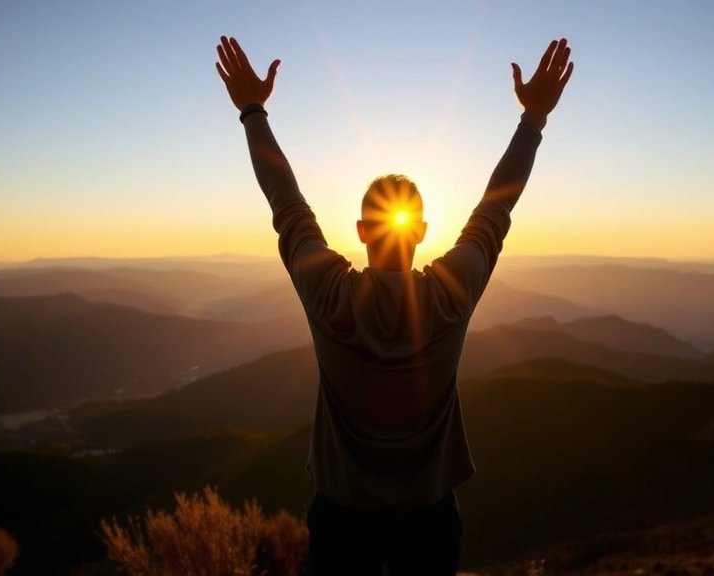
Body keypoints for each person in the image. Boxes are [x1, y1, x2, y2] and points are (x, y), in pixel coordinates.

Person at [215, 35, 574, 576]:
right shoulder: (450, 294)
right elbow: (495, 208)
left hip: (340, 515)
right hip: (428, 515)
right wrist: (533, 120)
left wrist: (252, 111)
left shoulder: (329, 292)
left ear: (360, 230)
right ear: (422, 230)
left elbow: (285, 200)